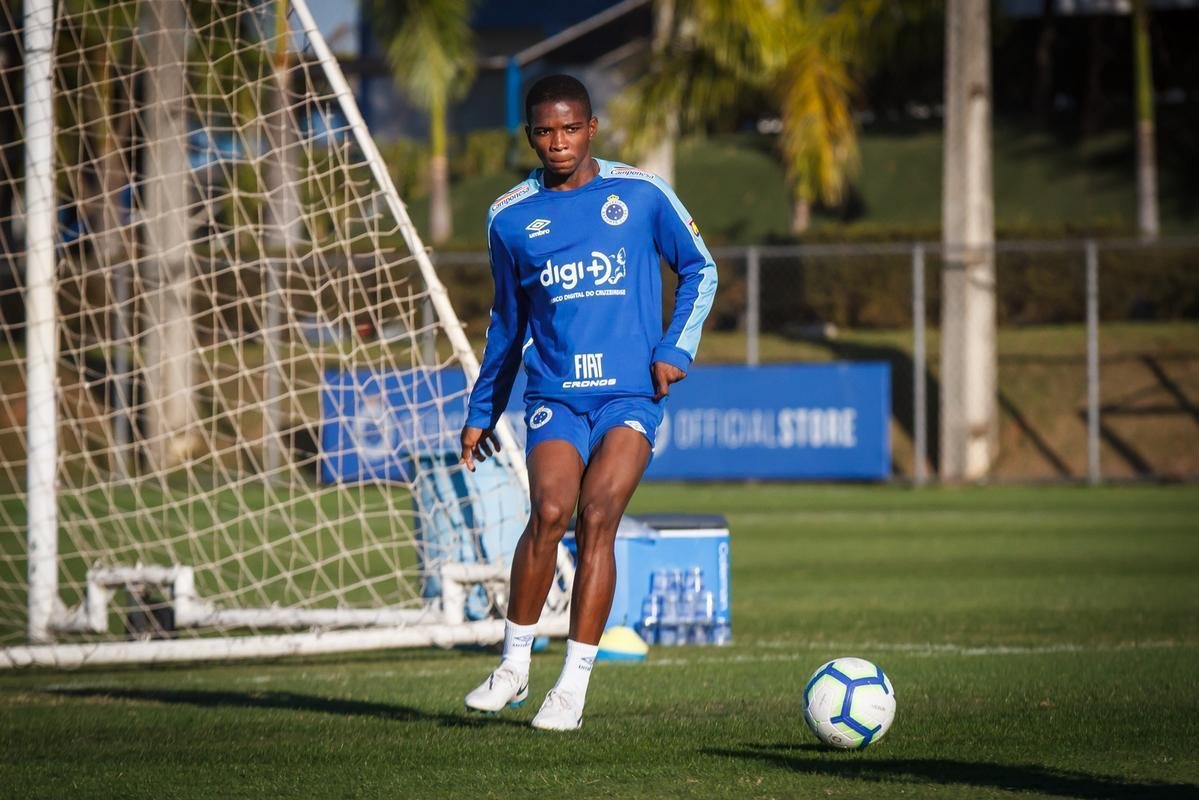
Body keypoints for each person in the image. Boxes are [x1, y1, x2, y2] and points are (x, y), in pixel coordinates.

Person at [460, 74, 717, 731]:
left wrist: (674, 350)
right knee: (548, 510)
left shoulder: (640, 194)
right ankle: (514, 665)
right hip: (554, 393)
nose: (558, 142)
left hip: (630, 393)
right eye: (544, 131)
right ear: (529, 136)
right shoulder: (509, 217)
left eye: (570, 128)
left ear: (592, 127)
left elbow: (699, 268)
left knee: (597, 514)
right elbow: (505, 324)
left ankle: (571, 688)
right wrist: (481, 411)